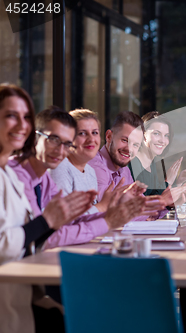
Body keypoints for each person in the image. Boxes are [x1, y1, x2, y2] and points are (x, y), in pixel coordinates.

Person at [0, 84, 94, 333]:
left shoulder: (9, 174)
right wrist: (47, 222)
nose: (22, 126)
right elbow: (6, 243)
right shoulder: (14, 174)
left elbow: (31, 238)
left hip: (24, 291)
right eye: (11, 116)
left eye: (26, 118)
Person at [10, 106, 157, 249]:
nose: (61, 150)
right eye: (54, 139)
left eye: (66, 143)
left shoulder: (47, 176)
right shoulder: (17, 174)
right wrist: (106, 217)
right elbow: (51, 234)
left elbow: (68, 221)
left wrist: (111, 212)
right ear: (34, 137)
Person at [88, 111, 186, 216]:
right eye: (125, 140)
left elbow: (141, 213)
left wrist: (168, 204)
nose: (129, 149)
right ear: (109, 137)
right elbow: (112, 213)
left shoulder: (124, 169)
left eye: (135, 145)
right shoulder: (96, 166)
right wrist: (163, 199)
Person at [49, 109, 110, 214]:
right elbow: (63, 217)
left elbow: (91, 217)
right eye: (82, 133)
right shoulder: (59, 167)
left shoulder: (90, 171)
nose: (91, 139)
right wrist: (102, 206)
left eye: (95, 133)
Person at [129, 111, 186, 196]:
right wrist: (168, 181)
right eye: (156, 133)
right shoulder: (133, 163)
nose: (162, 141)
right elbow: (146, 203)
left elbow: (156, 196)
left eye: (166, 136)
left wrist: (178, 182)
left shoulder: (151, 163)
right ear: (143, 135)